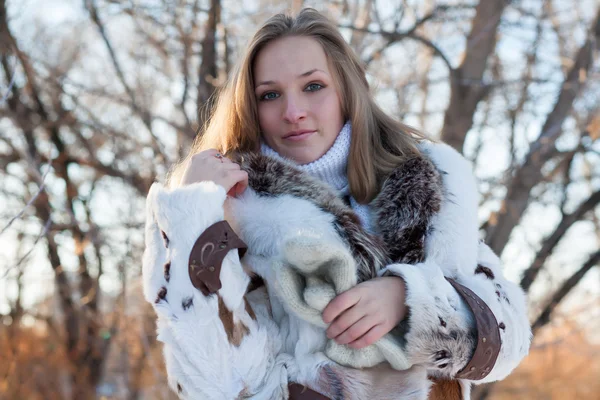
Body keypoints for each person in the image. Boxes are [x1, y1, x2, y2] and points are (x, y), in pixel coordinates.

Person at [160, 7, 531, 399]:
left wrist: (410, 299)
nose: (293, 112)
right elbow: (205, 384)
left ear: (346, 90)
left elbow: (509, 339)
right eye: (270, 95)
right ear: (252, 108)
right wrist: (196, 216)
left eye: (313, 86)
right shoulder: (228, 209)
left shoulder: (431, 187)